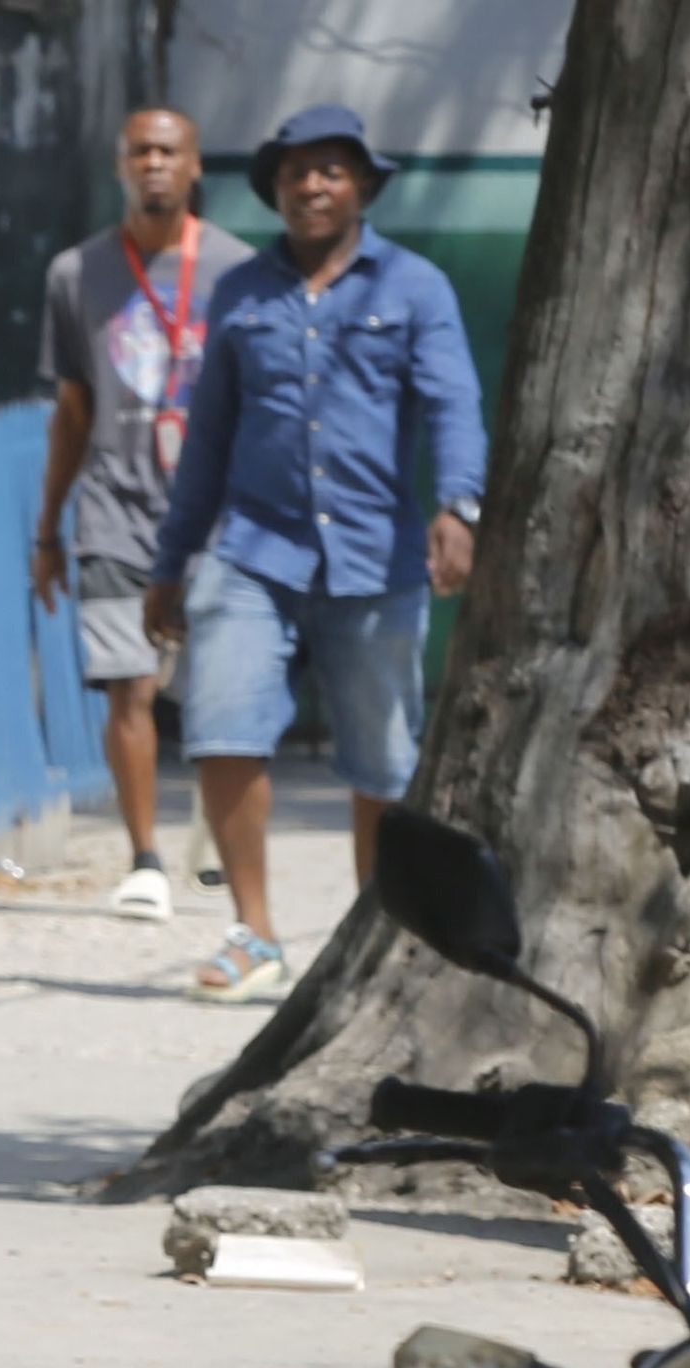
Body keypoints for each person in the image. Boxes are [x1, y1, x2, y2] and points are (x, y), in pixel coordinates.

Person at [145, 104, 482, 1003]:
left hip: (378, 557)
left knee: (383, 758)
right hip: (252, 551)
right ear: (276, 188)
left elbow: (452, 407)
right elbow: (208, 437)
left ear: (363, 185)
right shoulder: (242, 295)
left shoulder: (415, 289)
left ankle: (374, 936)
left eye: (332, 170)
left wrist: (459, 506)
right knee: (222, 729)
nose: (313, 185)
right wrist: (172, 560)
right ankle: (253, 932)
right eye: (297, 172)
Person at [31, 109, 254, 924]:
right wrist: (48, 530)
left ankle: (214, 843)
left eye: (169, 151)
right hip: (113, 514)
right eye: (139, 153)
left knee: (218, 694)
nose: (154, 164)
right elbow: (72, 412)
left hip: (217, 521)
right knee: (126, 689)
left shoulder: (239, 270)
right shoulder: (76, 274)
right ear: (120, 166)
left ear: (195, 165)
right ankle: (145, 858)